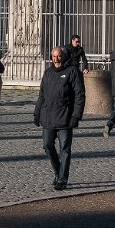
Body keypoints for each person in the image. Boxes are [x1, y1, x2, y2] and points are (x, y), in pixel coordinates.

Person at [34, 46, 85, 191]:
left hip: (65, 117)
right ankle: (58, 172)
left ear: (64, 57)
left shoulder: (72, 71)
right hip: (48, 116)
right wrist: (37, 112)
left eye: (58, 56)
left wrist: (76, 115)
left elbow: (80, 95)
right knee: (47, 145)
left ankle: (62, 179)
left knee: (65, 149)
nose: (56, 59)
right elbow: (42, 95)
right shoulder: (48, 73)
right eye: (54, 56)